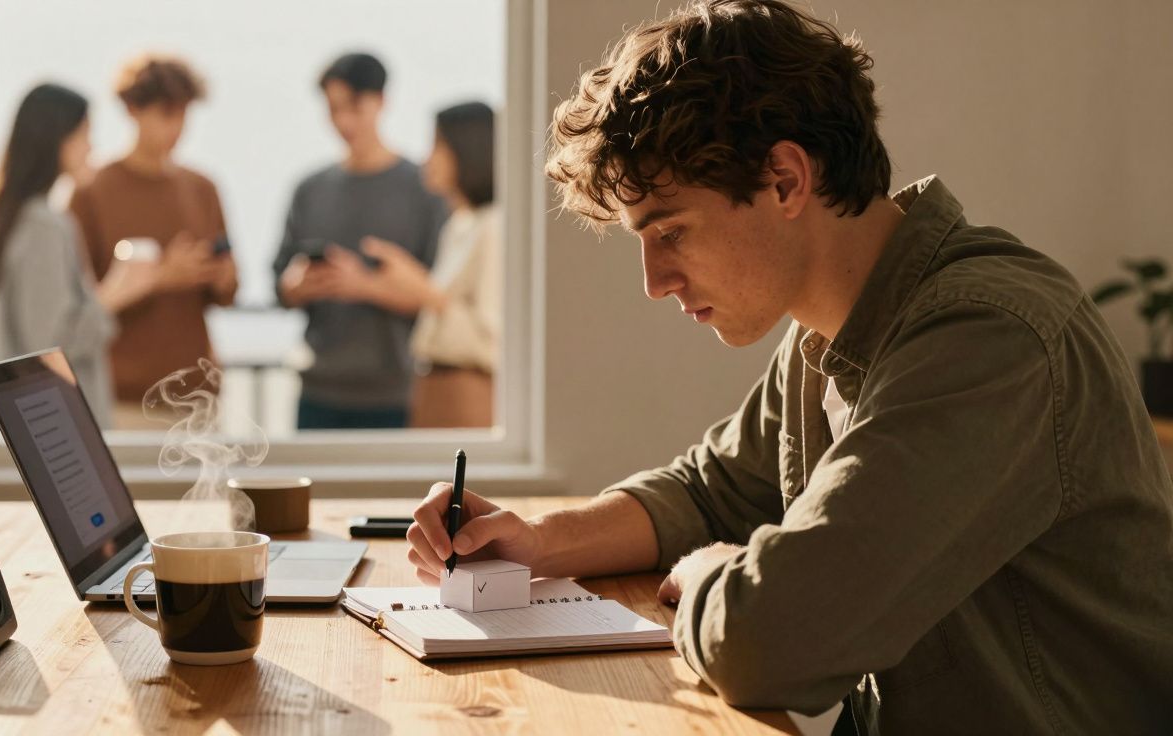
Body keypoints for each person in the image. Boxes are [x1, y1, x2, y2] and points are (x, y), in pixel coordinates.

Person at [406, 2, 1173, 733]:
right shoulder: (822, 336)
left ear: (784, 179)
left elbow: (770, 644)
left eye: (669, 230)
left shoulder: (989, 339)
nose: (653, 281)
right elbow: (708, 491)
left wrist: (709, 572)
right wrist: (541, 540)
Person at [272, 52, 449, 430]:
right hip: (316, 390)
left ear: (382, 101)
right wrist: (296, 286)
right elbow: (279, 284)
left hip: (394, 393)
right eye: (333, 108)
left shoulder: (424, 188)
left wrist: (363, 286)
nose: (343, 120)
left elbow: (438, 296)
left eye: (354, 106)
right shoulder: (309, 189)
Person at [70, 54, 237, 428]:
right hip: (125, 398)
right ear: (132, 109)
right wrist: (161, 277)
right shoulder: (92, 192)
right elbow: (78, 304)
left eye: (183, 114)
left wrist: (221, 276)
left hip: (197, 397)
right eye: (166, 114)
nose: (176, 128)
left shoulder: (203, 188)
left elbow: (226, 294)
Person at [319, 101, 500, 428]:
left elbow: (491, 343)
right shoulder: (460, 224)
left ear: (468, 150)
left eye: (438, 145)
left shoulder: (493, 227)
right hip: (434, 389)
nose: (427, 158)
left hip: (466, 395)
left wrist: (422, 289)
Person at [0, 83, 157, 428]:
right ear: (57, 140)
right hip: (61, 425)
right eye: (85, 135)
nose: (91, 147)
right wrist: (115, 294)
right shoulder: (44, 226)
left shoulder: (9, 216)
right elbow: (48, 344)